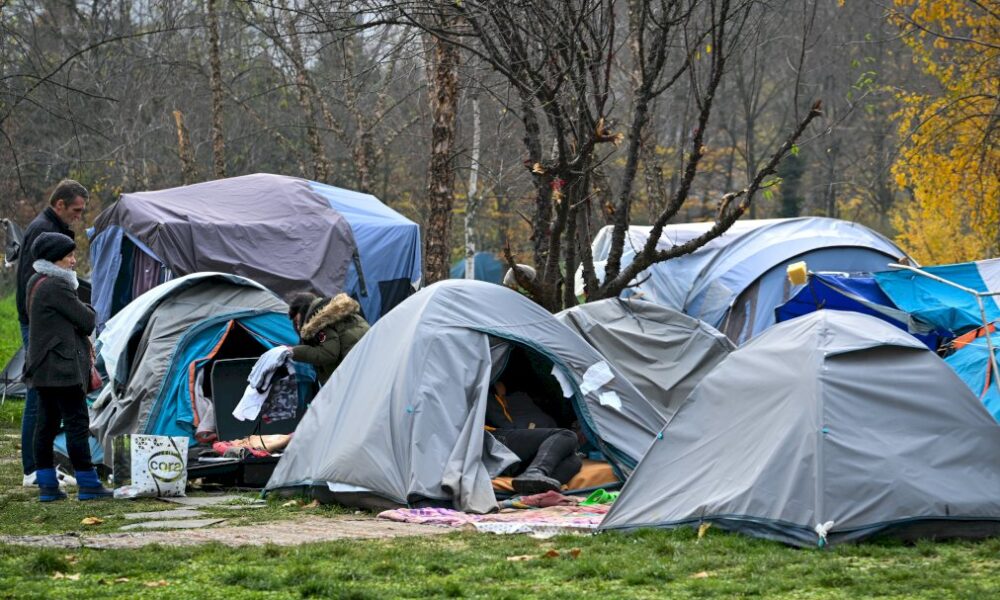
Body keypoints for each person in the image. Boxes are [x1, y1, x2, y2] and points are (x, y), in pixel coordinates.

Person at [24, 232, 112, 501]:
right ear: (55, 258)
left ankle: (48, 486)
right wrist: (86, 308)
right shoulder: (57, 286)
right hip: (62, 367)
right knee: (76, 423)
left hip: (43, 366)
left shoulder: (36, 281)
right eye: (69, 256)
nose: (74, 260)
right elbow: (86, 320)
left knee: (47, 424)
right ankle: (88, 483)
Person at [15, 180, 88, 488]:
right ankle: (33, 468)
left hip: (41, 322)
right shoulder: (43, 230)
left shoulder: (49, 227)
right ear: (59, 204)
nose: (79, 216)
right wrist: (38, 320)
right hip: (40, 325)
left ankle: (40, 469)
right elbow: (32, 280)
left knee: (44, 400)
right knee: (39, 396)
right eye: (76, 210)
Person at [486, 380, 582, 495]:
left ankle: (530, 494)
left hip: (506, 456)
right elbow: (505, 424)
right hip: (487, 440)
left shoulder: (508, 398)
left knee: (573, 460)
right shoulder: (484, 391)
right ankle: (534, 472)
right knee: (566, 435)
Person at [286, 292, 370, 385]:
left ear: (303, 310)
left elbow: (328, 354)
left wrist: (293, 352)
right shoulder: (339, 313)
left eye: (298, 322)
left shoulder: (321, 323)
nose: (298, 327)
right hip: (368, 363)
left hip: (354, 374)